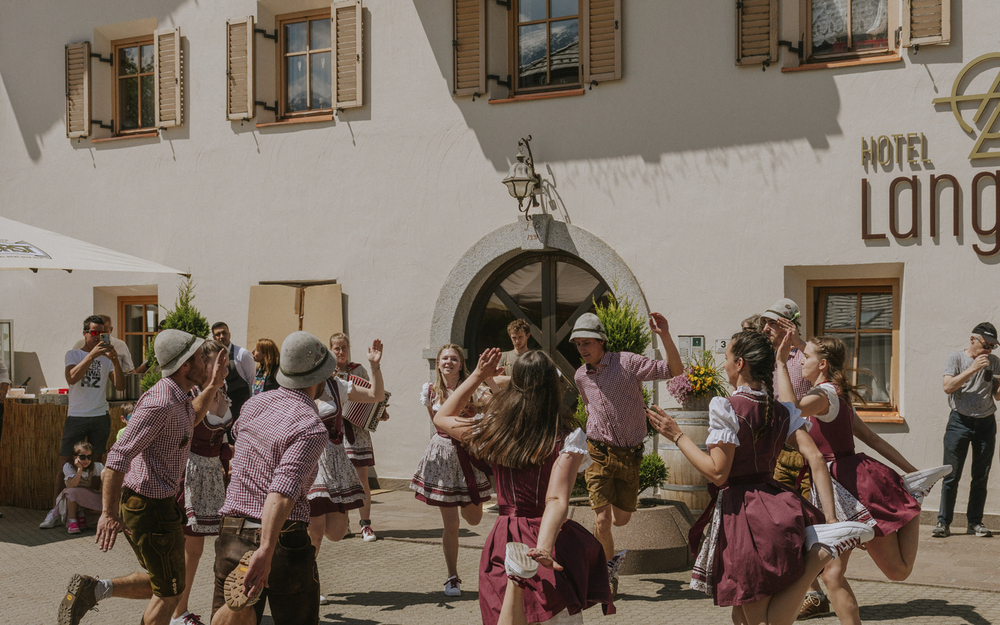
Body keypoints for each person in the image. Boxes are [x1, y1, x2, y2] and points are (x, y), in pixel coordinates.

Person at [648, 330, 875, 625]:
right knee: (741, 613)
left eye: (727, 358)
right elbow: (815, 457)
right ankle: (818, 553)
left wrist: (677, 435)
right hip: (777, 506)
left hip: (746, 515)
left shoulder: (726, 406)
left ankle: (816, 559)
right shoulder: (780, 410)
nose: (725, 364)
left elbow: (718, 473)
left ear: (740, 364)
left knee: (759, 619)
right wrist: (829, 518)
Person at [776, 333, 952, 624]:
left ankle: (914, 502)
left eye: (804, 357)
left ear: (821, 365)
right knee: (831, 574)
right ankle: (912, 494)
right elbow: (872, 438)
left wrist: (782, 364)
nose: (800, 361)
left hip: (851, 489)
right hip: (835, 486)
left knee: (898, 571)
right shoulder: (836, 395)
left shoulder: (824, 396)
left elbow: (790, 409)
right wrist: (911, 471)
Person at [433, 347, 614, 624]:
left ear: (514, 385)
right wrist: (543, 548)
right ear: (553, 388)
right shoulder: (568, 437)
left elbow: (442, 417)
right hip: (549, 536)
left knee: (506, 612)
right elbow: (555, 500)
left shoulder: (493, 427)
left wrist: (478, 375)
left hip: (505, 538)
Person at [58, 329, 226, 625]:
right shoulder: (161, 402)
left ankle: (94, 589)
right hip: (149, 506)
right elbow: (117, 457)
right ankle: (95, 589)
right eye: (201, 357)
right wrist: (107, 514)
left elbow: (191, 420)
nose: (206, 361)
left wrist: (212, 385)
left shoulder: (179, 395)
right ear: (185, 365)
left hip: (156, 504)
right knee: (170, 592)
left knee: (164, 582)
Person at [209, 331, 338, 625]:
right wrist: (265, 549)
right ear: (318, 378)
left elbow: (237, 437)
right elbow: (281, 492)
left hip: (232, 530)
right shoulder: (310, 426)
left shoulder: (254, 404)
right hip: (280, 538)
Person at [570, 311, 681, 594]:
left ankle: (603, 563)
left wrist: (664, 335)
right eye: (578, 344)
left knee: (621, 519)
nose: (582, 349)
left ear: (601, 341)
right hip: (598, 453)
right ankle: (605, 574)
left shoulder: (627, 362)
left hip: (630, 454)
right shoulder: (580, 376)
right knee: (602, 520)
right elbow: (588, 406)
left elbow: (673, 371)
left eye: (587, 343)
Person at [761, 299, 827, 619]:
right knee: (782, 524)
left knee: (803, 525)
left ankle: (813, 593)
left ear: (788, 325)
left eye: (771, 323)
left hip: (804, 452)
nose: (765, 329)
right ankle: (795, 588)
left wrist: (798, 343)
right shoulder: (771, 359)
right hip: (777, 452)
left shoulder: (806, 357)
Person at [307, 337, 385, 605]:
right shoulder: (300, 388)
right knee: (315, 529)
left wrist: (374, 367)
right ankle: (308, 584)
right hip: (311, 460)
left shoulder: (337, 385)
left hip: (337, 460)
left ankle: (296, 563)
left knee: (337, 531)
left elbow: (376, 396)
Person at [412, 344, 493, 597]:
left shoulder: (476, 388)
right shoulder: (430, 391)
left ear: (461, 364)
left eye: (454, 358)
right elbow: (436, 422)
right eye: (444, 358)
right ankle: (452, 576)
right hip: (443, 456)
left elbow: (496, 409)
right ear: (438, 363)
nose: (448, 362)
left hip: (468, 454)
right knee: (452, 524)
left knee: (474, 518)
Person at [171, 340, 234, 625]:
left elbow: (223, 437)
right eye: (218, 361)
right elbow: (187, 428)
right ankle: (178, 612)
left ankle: (221, 606)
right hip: (192, 474)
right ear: (204, 365)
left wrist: (228, 457)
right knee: (192, 549)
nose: (225, 366)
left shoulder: (225, 392)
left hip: (214, 476)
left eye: (227, 360)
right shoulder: (193, 394)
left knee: (223, 544)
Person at [42, 315, 126, 530]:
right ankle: (54, 511)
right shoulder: (74, 354)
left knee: (97, 464)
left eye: (102, 333)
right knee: (65, 462)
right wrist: (91, 356)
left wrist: (115, 360)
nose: (98, 336)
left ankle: (89, 510)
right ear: (85, 333)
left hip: (100, 415)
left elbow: (120, 386)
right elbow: (71, 377)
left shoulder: (108, 358)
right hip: (77, 415)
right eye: (94, 332)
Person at [935, 322, 1000, 539]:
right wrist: (973, 369)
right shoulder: (956, 358)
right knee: (951, 475)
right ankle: (943, 523)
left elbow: (997, 395)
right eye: (986, 345)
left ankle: (975, 522)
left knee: (980, 476)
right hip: (959, 422)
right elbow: (947, 387)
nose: (989, 351)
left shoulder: (994, 362)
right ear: (973, 340)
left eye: (993, 347)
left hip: (986, 423)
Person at [330, 332, 391, 541]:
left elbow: (373, 396)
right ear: (331, 350)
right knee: (341, 480)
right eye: (336, 348)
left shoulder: (359, 370)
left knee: (362, 477)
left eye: (344, 347)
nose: (341, 351)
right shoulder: (327, 374)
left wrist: (378, 412)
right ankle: (343, 523)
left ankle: (365, 524)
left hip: (358, 432)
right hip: (337, 431)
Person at [55, 441, 104, 534]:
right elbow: (72, 485)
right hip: (70, 498)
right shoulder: (68, 466)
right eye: (82, 457)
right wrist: (79, 469)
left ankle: (82, 516)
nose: (86, 460)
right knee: (72, 492)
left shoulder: (96, 466)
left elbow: (107, 478)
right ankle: (72, 521)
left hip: (87, 494)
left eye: (89, 457)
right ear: (75, 457)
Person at [211, 322, 255, 419]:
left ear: (229, 334)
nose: (221, 336)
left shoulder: (243, 354)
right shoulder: (212, 357)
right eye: (218, 334)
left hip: (240, 408)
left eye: (224, 333)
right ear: (214, 338)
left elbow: (252, 382)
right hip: (220, 411)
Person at [72, 314, 136, 373]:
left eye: (104, 332)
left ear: (111, 330)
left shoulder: (120, 345)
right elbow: (72, 372)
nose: (100, 336)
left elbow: (130, 370)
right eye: (96, 332)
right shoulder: (81, 344)